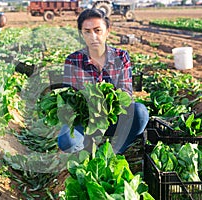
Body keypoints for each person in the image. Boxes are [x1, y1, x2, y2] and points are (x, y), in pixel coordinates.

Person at [57, 8, 149, 154]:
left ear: (107, 31)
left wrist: (104, 103)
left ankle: (117, 150)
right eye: (87, 31)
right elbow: (69, 97)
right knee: (66, 141)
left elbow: (126, 93)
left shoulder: (121, 56)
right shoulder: (73, 60)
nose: (93, 36)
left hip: (113, 119)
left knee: (140, 112)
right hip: (85, 119)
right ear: (81, 34)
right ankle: (86, 150)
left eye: (97, 30)